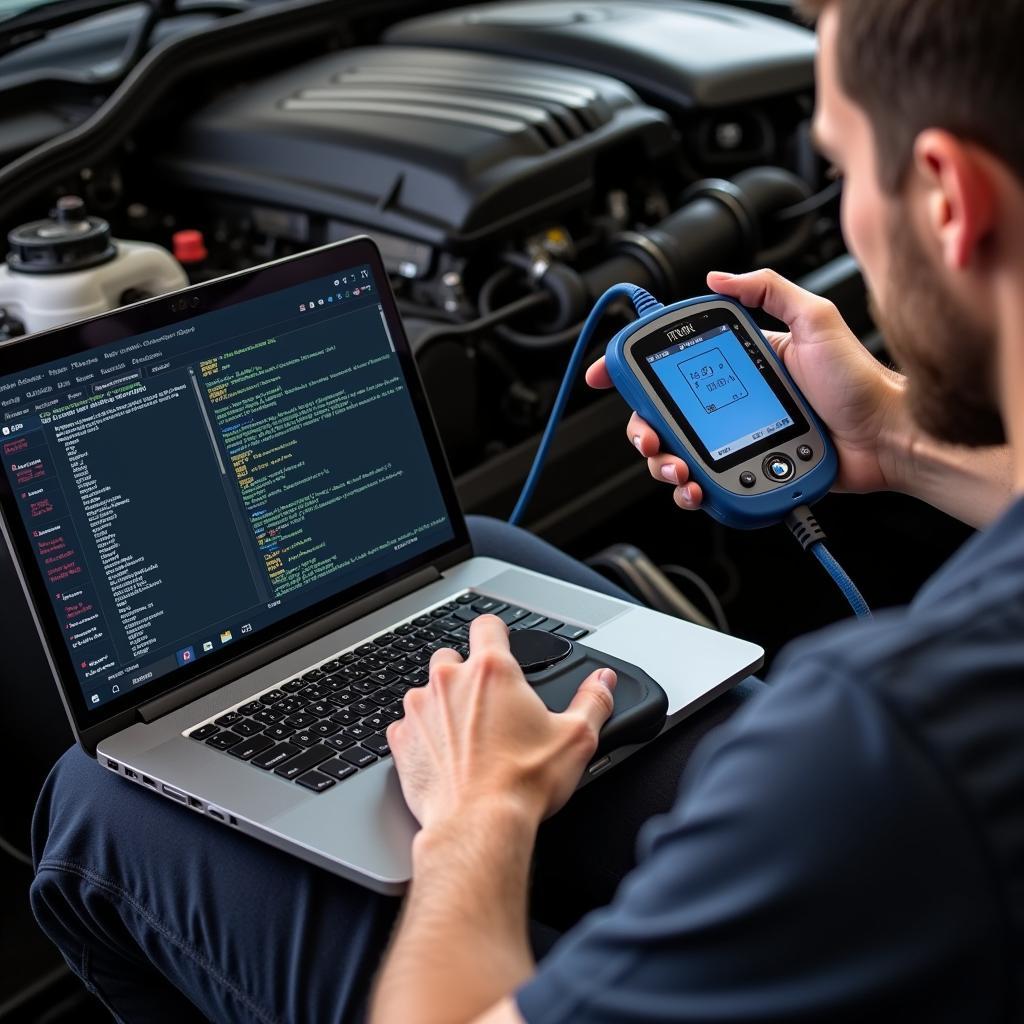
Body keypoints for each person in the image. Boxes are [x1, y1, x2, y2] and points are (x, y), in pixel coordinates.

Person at [30, 0, 1024, 1019]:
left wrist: (476, 817)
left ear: (948, 197)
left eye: (844, 168)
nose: (846, 207)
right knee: (490, 552)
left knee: (98, 797)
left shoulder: (892, 725)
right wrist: (897, 441)